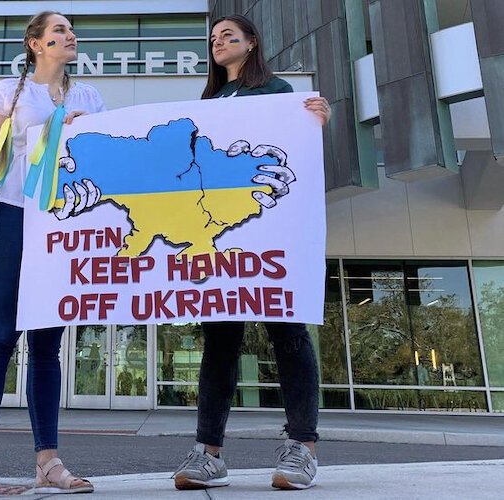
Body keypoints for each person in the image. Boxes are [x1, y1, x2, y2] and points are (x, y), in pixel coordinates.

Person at [0, 11, 105, 498]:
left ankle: (48, 461)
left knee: (46, 343)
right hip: (15, 215)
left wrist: (79, 129)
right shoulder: (10, 92)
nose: (69, 36)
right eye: (57, 31)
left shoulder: (88, 96)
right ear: (35, 44)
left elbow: (103, 153)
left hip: (62, 221)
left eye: (71, 30)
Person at [171, 14, 331, 492]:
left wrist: (316, 119)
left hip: (269, 232)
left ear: (251, 43)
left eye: (229, 36)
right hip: (221, 237)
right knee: (219, 340)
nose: (219, 43)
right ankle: (208, 454)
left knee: (288, 332)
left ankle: (302, 449)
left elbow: (295, 149)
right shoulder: (210, 100)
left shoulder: (278, 89)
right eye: (215, 38)